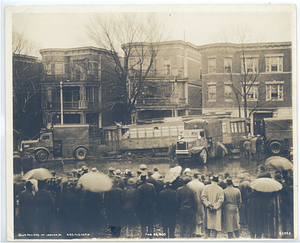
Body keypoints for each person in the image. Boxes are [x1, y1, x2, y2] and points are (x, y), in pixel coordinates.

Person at [137, 173, 156, 238]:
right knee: (150, 220)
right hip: (150, 205)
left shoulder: (140, 187)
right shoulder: (152, 186)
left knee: (143, 220)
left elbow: (139, 198)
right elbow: (154, 196)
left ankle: (143, 234)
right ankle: (150, 234)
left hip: (143, 205)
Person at [187, 172, 205, 237]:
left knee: (193, 216)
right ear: (198, 177)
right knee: (199, 216)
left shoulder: (189, 184)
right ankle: (199, 231)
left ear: (193, 176)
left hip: (191, 202)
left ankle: (193, 231)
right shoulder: (202, 185)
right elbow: (203, 195)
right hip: (200, 201)